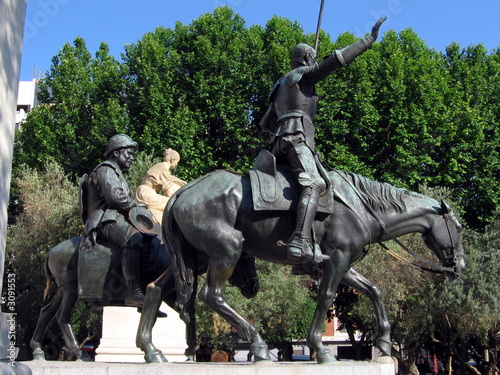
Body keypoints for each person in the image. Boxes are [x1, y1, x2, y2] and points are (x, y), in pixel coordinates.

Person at [259, 17, 386, 262]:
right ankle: (299, 240)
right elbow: (336, 61)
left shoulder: (279, 85)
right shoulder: (304, 75)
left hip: (276, 145)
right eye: (313, 59)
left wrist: (279, 127)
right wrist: (368, 40)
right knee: (314, 184)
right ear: (307, 59)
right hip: (297, 140)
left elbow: (265, 123)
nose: (314, 63)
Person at [82, 134, 155, 307]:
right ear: (116, 153)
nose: (131, 157)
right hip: (104, 220)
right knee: (134, 238)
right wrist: (136, 206)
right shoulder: (105, 170)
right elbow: (115, 199)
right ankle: (134, 293)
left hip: (114, 217)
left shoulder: (115, 172)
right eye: (128, 153)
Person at [135, 148, 186, 225]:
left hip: (144, 192)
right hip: (146, 194)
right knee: (173, 204)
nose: (176, 164)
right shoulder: (163, 169)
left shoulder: (160, 166)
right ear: (172, 160)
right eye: (177, 162)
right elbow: (169, 192)